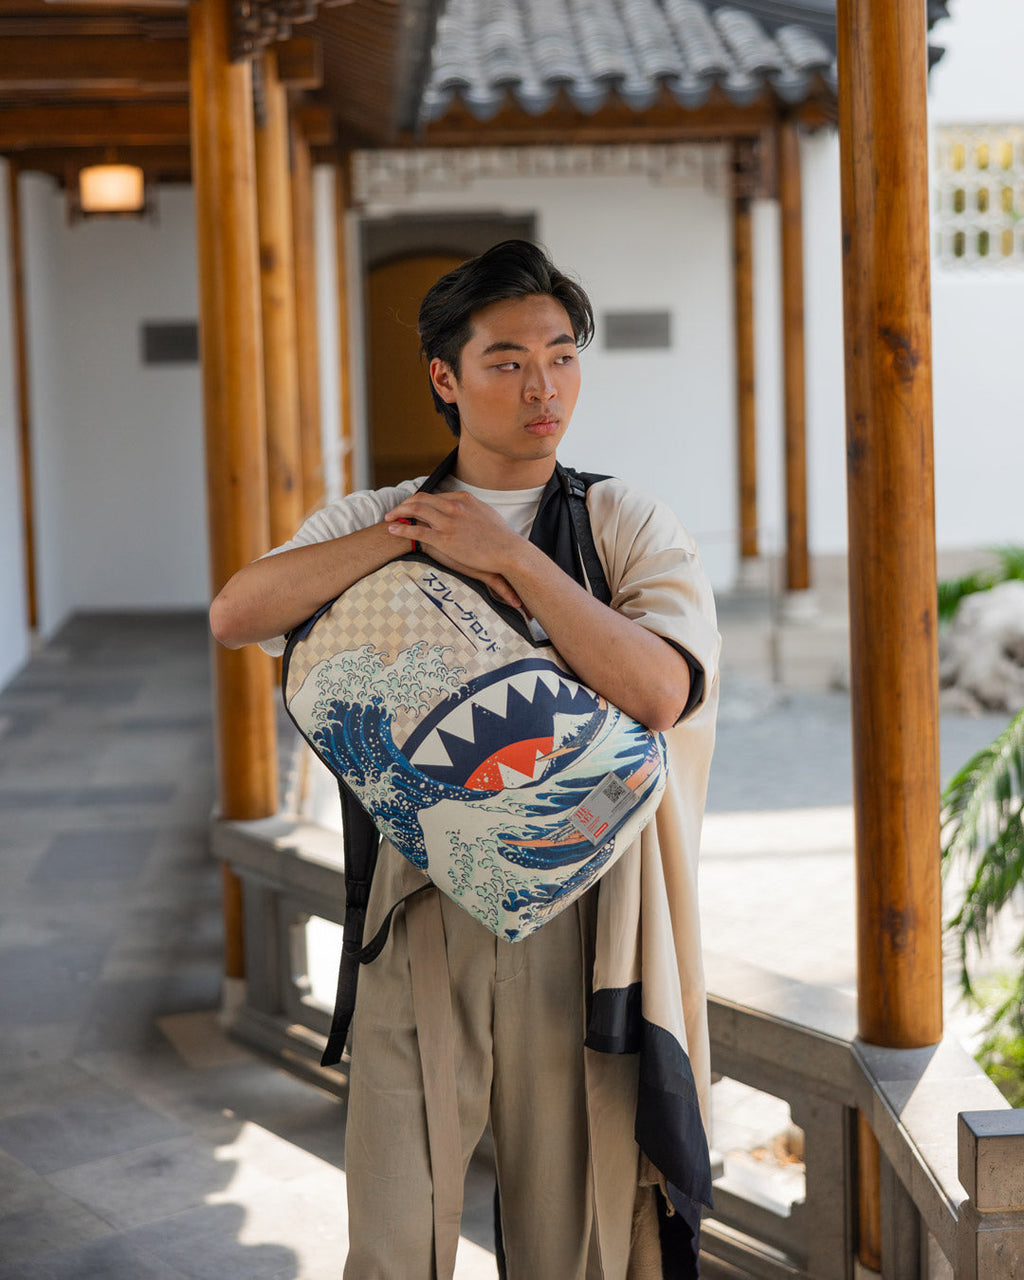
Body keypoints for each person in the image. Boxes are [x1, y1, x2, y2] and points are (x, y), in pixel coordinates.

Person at [210, 240, 720, 1279]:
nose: (543, 386)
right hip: (419, 911)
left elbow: (663, 688)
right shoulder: (380, 516)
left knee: (568, 1240)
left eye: (562, 355)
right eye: (506, 360)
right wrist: (408, 536)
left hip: (584, 918)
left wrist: (513, 559)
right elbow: (238, 612)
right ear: (445, 377)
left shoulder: (620, 521)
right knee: (396, 1232)